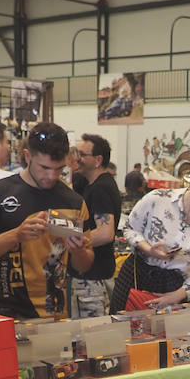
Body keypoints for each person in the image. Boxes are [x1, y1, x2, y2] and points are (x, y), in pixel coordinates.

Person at [0, 122, 93, 319]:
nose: (51, 176)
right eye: (44, 167)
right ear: (28, 156)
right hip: (5, 313)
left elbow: (84, 264)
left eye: (59, 169)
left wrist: (79, 251)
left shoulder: (73, 202)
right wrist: (16, 235)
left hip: (55, 314)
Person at [110, 161, 190, 312]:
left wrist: (179, 295)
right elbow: (130, 228)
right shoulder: (158, 199)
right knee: (122, 331)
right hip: (136, 277)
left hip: (175, 289)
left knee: (163, 334)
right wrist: (148, 249)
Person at [69, 134, 122, 318]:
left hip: (93, 280)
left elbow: (106, 233)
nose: (78, 159)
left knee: (92, 337)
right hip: (94, 276)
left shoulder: (101, 188)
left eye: (83, 155)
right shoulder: (92, 185)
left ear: (98, 160)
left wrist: (73, 240)